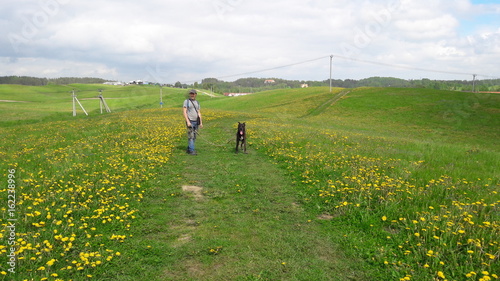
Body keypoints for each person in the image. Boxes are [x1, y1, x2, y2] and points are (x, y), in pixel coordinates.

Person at [183, 89, 203, 155]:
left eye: (193, 94)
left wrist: (201, 122)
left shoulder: (197, 102)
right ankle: (192, 150)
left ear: (195, 94)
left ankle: (189, 149)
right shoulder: (186, 101)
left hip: (196, 121)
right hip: (190, 121)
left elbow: (199, 112)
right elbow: (184, 112)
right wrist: (188, 121)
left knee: (194, 136)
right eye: (191, 93)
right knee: (191, 136)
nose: (192, 95)